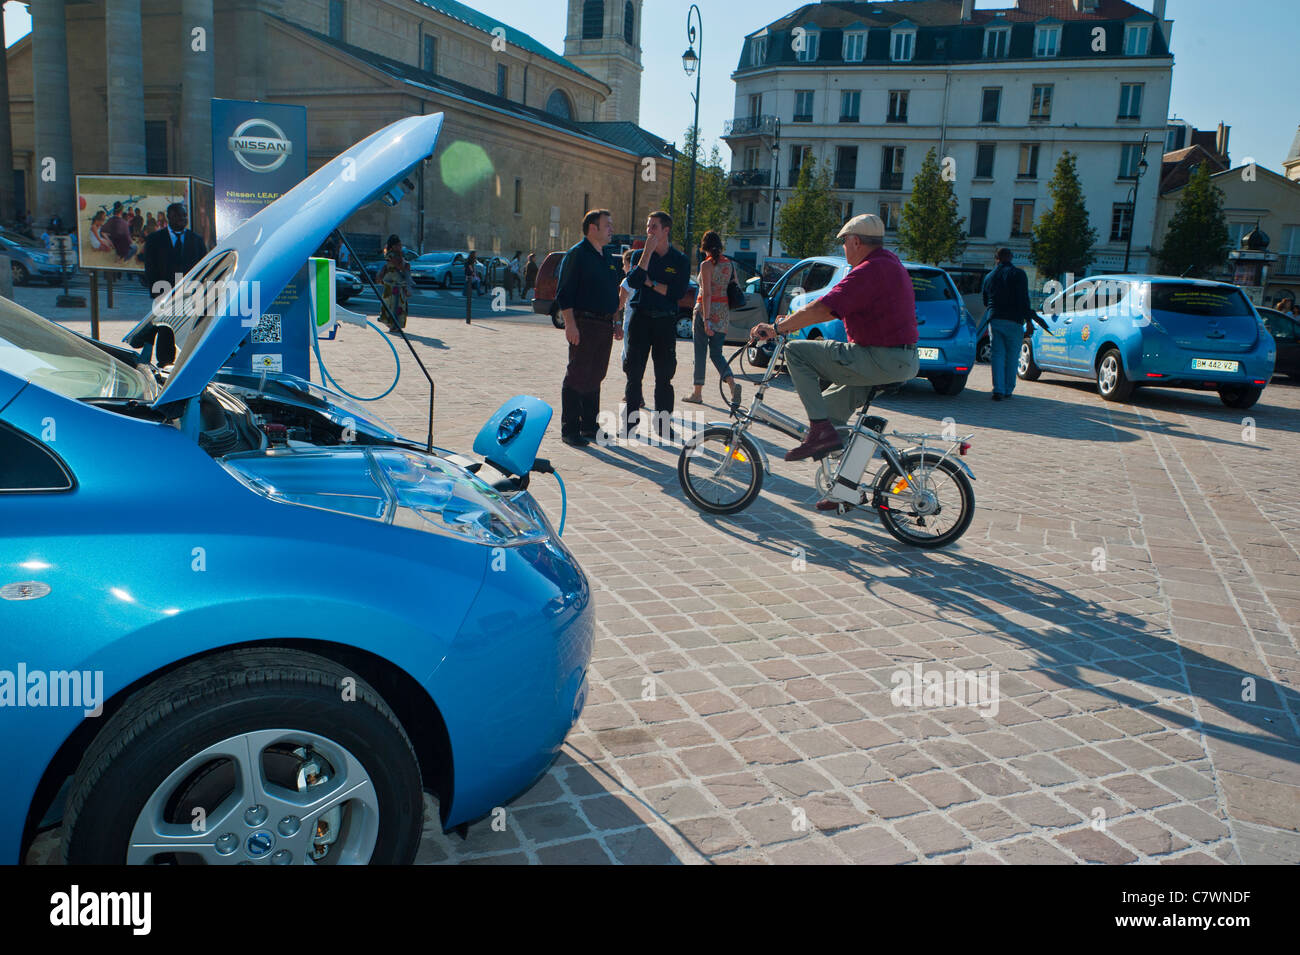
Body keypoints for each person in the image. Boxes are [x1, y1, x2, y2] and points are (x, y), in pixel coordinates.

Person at [752, 213, 919, 465]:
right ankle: (845, 489)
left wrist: (778, 327)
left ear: (854, 241)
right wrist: (794, 320)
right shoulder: (889, 263)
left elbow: (823, 308)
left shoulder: (870, 270)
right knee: (830, 412)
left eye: (843, 242)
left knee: (796, 352)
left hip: (879, 357)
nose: (843, 248)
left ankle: (819, 432)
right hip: (898, 359)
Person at [555, 209, 622, 447]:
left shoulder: (606, 256)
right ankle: (570, 428)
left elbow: (613, 293)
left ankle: (589, 425)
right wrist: (570, 324)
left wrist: (617, 320)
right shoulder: (577, 254)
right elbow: (564, 293)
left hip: (604, 324)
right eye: (608, 225)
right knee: (577, 374)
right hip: (584, 322)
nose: (611, 229)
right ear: (593, 228)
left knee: (596, 375)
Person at [623, 210, 689, 441]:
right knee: (634, 374)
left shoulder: (679, 260)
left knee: (664, 376)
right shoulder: (640, 255)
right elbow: (632, 281)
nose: (648, 231)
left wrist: (649, 282)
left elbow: (677, 293)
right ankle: (630, 425)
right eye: (648, 226)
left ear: (665, 230)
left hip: (664, 321)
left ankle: (663, 425)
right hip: (640, 318)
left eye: (653, 227)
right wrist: (647, 254)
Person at [982, 247, 1045, 401]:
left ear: (996, 258)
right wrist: (1029, 321)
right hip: (1014, 320)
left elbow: (985, 301)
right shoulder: (1019, 274)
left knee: (997, 355)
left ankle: (998, 389)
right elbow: (1024, 299)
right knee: (1012, 356)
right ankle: (1008, 389)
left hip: (995, 319)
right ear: (1010, 257)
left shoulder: (989, 276)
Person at [683, 231, 737, 405]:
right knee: (716, 353)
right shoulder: (729, 264)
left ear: (704, 246)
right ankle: (732, 384)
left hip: (704, 312)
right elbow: (734, 285)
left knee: (700, 352)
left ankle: (697, 393)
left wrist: (706, 320)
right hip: (723, 312)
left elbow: (706, 293)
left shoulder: (706, 265)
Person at [142, 202, 207, 300]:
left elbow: (204, 266)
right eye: (177, 216)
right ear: (168, 217)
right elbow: (150, 267)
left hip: (191, 295)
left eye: (184, 215)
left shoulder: (196, 240)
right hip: (164, 294)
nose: (182, 219)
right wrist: (156, 293)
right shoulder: (154, 239)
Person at [378, 234, 410, 331]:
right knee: (395, 305)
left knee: (395, 305)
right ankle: (394, 325)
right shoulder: (392, 255)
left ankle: (394, 325)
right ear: (393, 246)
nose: (401, 247)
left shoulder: (393, 254)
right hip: (394, 284)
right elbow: (399, 267)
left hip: (394, 284)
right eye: (399, 245)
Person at [618, 248, 636, 373]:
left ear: (630, 264)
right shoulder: (643, 279)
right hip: (642, 320)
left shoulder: (627, 281)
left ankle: (631, 386)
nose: (623, 268)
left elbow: (619, 304)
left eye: (624, 264)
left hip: (629, 321)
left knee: (627, 354)